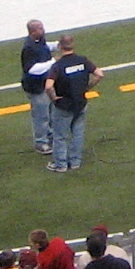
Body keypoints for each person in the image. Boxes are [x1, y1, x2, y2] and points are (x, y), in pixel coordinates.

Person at [45, 35, 99, 173]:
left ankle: (61, 164)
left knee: (60, 136)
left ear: (60, 47)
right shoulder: (83, 61)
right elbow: (99, 74)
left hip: (64, 105)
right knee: (78, 133)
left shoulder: (58, 66)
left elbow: (48, 86)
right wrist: (87, 88)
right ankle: (75, 162)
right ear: (73, 45)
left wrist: (54, 98)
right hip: (80, 102)